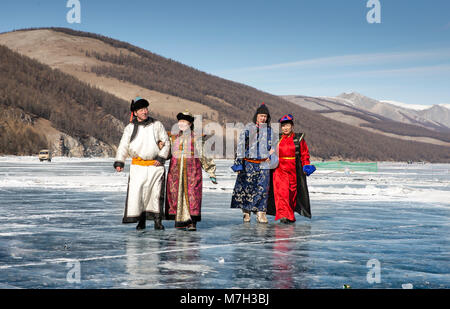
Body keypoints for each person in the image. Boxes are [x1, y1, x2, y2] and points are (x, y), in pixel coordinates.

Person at [114, 97, 170, 230]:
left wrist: (161, 157)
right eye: (141, 109)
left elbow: (166, 142)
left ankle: (157, 221)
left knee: (155, 194)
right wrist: (120, 161)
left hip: (155, 166)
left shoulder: (157, 125)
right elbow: (123, 146)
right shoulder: (130, 128)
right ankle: (141, 220)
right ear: (135, 112)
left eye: (145, 109)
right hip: (138, 167)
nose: (144, 111)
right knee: (139, 194)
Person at [164, 110, 217, 231]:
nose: (181, 124)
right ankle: (180, 221)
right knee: (177, 195)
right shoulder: (173, 138)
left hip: (192, 172)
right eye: (180, 121)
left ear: (190, 124)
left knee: (192, 195)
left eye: (184, 121)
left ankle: (192, 222)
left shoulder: (197, 138)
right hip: (175, 172)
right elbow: (168, 154)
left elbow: (205, 155)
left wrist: (211, 171)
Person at [230, 103, 278, 223]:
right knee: (247, 188)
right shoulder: (248, 128)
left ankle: (261, 213)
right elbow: (240, 146)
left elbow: (275, 146)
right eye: (261, 116)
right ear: (256, 116)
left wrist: (271, 156)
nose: (263, 118)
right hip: (248, 164)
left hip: (264, 164)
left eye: (265, 116)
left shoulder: (270, 130)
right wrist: (238, 162)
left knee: (263, 189)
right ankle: (246, 212)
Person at [267, 114, 316, 223]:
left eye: (287, 125)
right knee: (281, 193)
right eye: (283, 126)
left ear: (292, 126)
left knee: (292, 194)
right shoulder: (277, 139)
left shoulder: (299, 138)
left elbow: (304, 154)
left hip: (294, 170)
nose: (285, 128)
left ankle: (289, 214)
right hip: (279, 169)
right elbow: (271, 151)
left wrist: (306, 165)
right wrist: (269, 156)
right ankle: (285, 216)